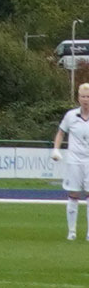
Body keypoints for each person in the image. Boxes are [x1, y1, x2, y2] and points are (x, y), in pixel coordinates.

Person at [51, 83, 89, 239]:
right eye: (83, 96)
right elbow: (61, 133)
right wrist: (56, 149)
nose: (86, 100)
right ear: (78, 98)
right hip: (74, 160)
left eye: (88, 97)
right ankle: (72, 232)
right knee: (73, 194)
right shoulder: (71, 116)